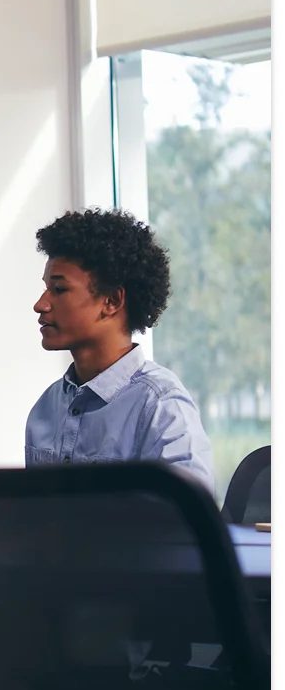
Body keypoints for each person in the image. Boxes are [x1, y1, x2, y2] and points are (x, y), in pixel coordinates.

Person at [27, 207, 214, 491]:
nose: (41, 304)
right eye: (45, 289)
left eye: (59, 289)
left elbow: (188, 526)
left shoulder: (161, 408)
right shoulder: (45, 409)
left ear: (112, 301)